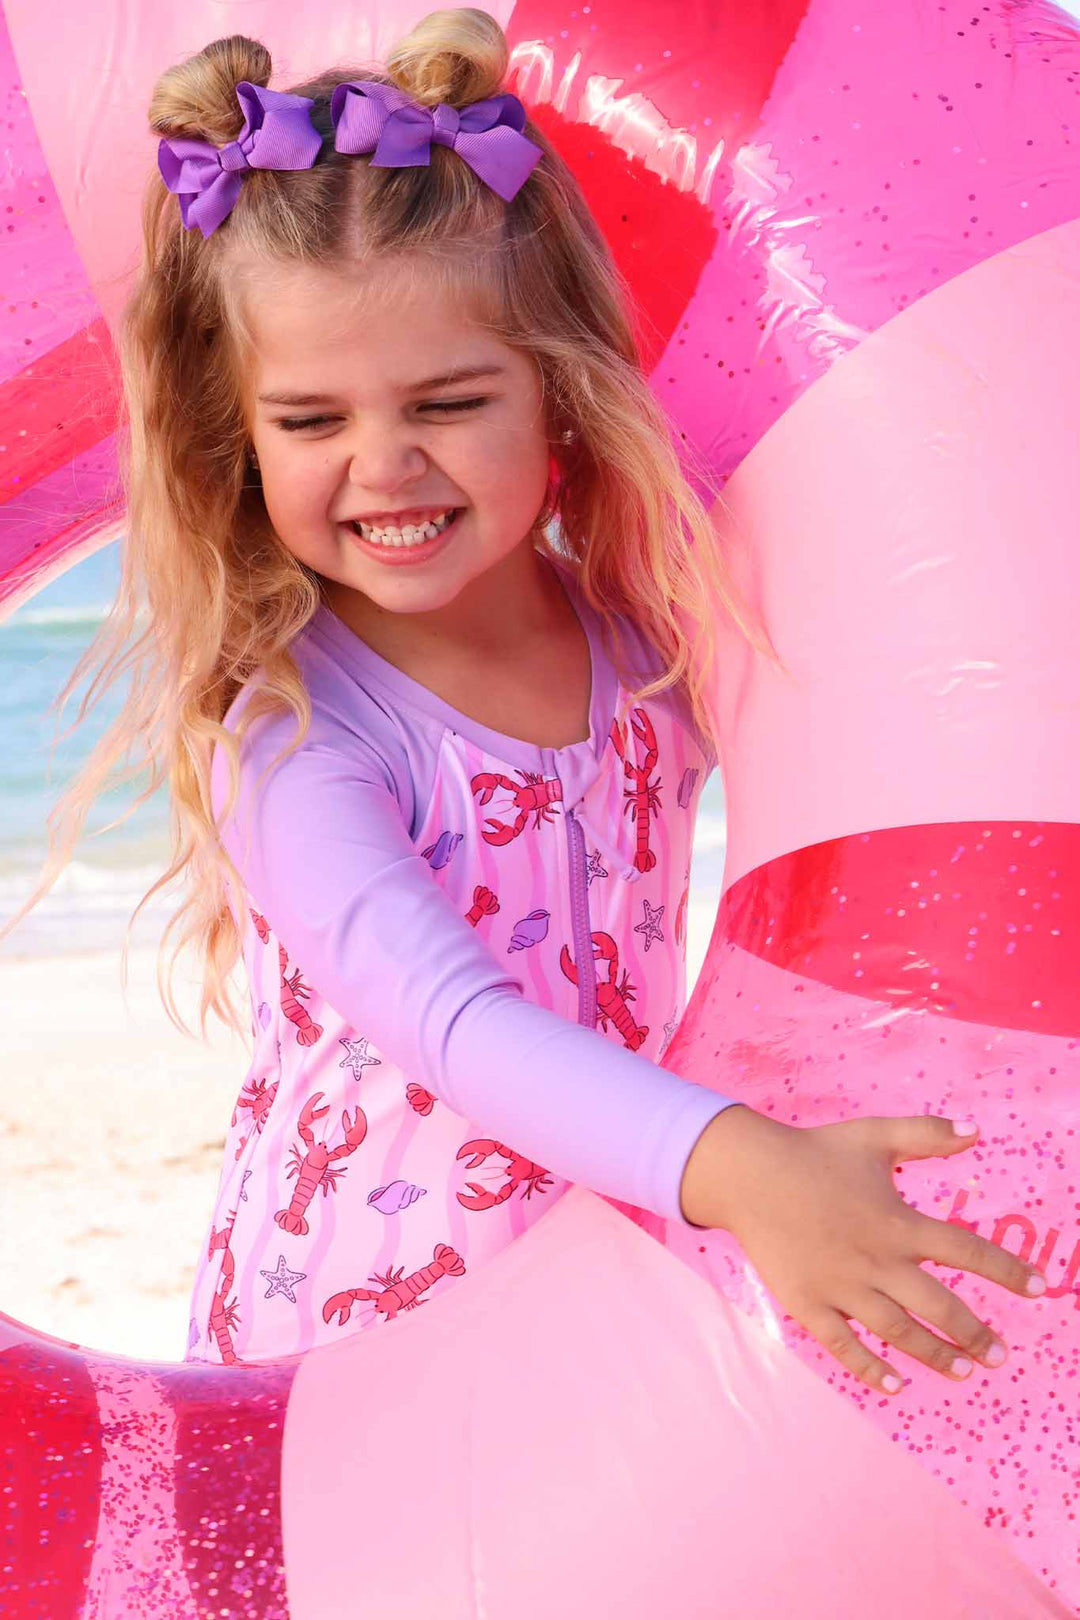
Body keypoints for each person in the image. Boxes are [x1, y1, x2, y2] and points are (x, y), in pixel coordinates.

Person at [12, 8, 1045, 1383]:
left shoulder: (643, 629)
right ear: (238, 440)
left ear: (554, 396)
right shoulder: (299, 737)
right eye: (312, 421)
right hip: (362, 1324)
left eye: (448, 402)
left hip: (609, 1242)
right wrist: (741, 1167)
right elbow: (455, 1026)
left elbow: (896, 739)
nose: (384, 465)